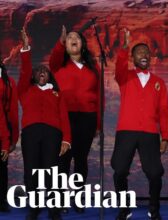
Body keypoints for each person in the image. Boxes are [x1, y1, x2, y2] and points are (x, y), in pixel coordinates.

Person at [112, 29, 168, 220]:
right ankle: (123, 209)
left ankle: (154, 210)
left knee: (154, 173)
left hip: (149, 133)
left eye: (147, 52)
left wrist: (166, 135)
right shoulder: (125, 77)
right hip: (126, 131)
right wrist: (125, 46)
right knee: (120, 170)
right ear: (133, 57)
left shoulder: (159, 82)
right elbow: (119, 66)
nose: (144, 55)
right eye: (139, 52)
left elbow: (163, 110)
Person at [18, 29, 71, 220]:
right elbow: (24, 70)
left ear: (49, 76)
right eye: (38, 71)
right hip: (31, 133)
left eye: (45, 71)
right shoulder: (25, 90)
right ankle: (34, 208)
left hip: (53, 134)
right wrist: (25, 48)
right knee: (31, 171)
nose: (42, 72)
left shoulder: (57, 94)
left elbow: (64, 117)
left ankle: (53, 210)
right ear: (33, 76)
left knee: (51, 172)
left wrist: (66, 139)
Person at [49, 26, 101, 213]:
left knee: (81, 160)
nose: (73, 39)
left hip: (87, 118)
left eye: (76, 38)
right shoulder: (59, 65)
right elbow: (54, 57)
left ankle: (78, 198)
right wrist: (60, 42)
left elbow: (99, 97)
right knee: (63, 160)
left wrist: (98, 123)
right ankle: (61, 199)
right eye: (69, 37)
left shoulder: (93, 69)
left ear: (83, 45)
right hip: (64, 117)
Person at [0, 59, 18, 213]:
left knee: (2, 166)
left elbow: (12, 111)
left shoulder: (9, 82)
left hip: (3, 126)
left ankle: (2, 200)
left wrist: (13, 138)